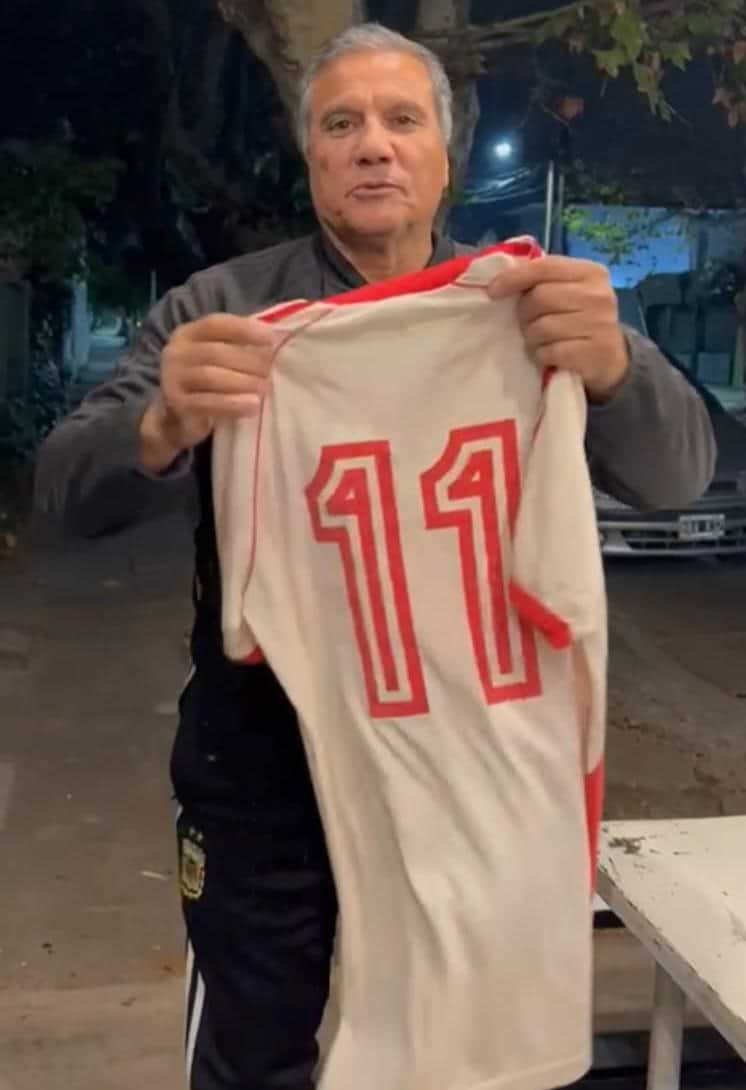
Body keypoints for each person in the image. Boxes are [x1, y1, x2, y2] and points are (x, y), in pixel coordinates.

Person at [36, 22, 716, 1090]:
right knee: (252, 1053)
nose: (372, 145)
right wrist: (159, 423)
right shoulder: (224, 313)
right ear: (310, 154)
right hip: (264, 762)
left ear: (445, 154)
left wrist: (616, 369)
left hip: (467, 755)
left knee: (458, 1053)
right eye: (341, 124)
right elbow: (63, 492)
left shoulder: (527, 307)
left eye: (402, 121)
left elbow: (678, 476)